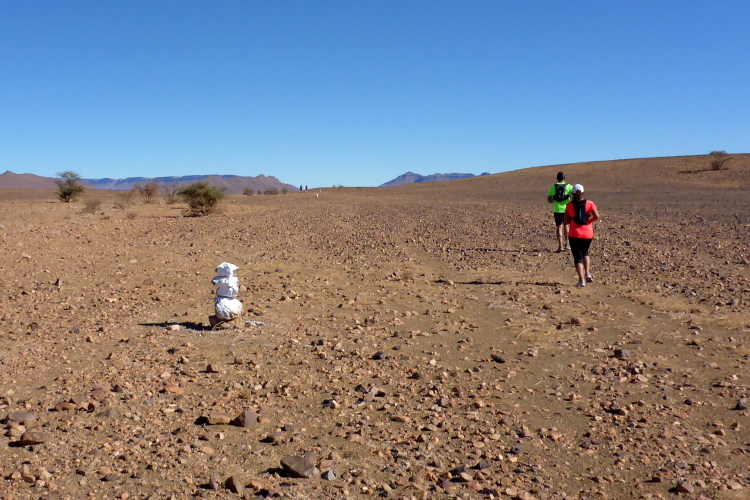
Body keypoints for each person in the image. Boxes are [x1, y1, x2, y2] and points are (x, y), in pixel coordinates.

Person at [564, 184, 599, 287]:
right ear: (582, 193)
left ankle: (581, 280)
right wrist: (589, 220)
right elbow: (597, 216)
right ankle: (587, 273)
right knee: (585, 252)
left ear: (572, 194)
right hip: (587, 233)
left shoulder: (569, 205)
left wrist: (573, 220)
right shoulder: (590, 203)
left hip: (574, 233)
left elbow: (565, 221)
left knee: (577, 257)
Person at [547, 172, 573, 252]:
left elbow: (549, 200)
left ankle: (560, 246)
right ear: (564, 178)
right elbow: (574, 197)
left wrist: (555, 201)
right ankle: (567, 244)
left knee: (559, 227)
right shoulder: (569, 187)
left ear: (557, 178)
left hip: (557, 209)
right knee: (566, 226)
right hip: (566, 209)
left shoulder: (552, 187)